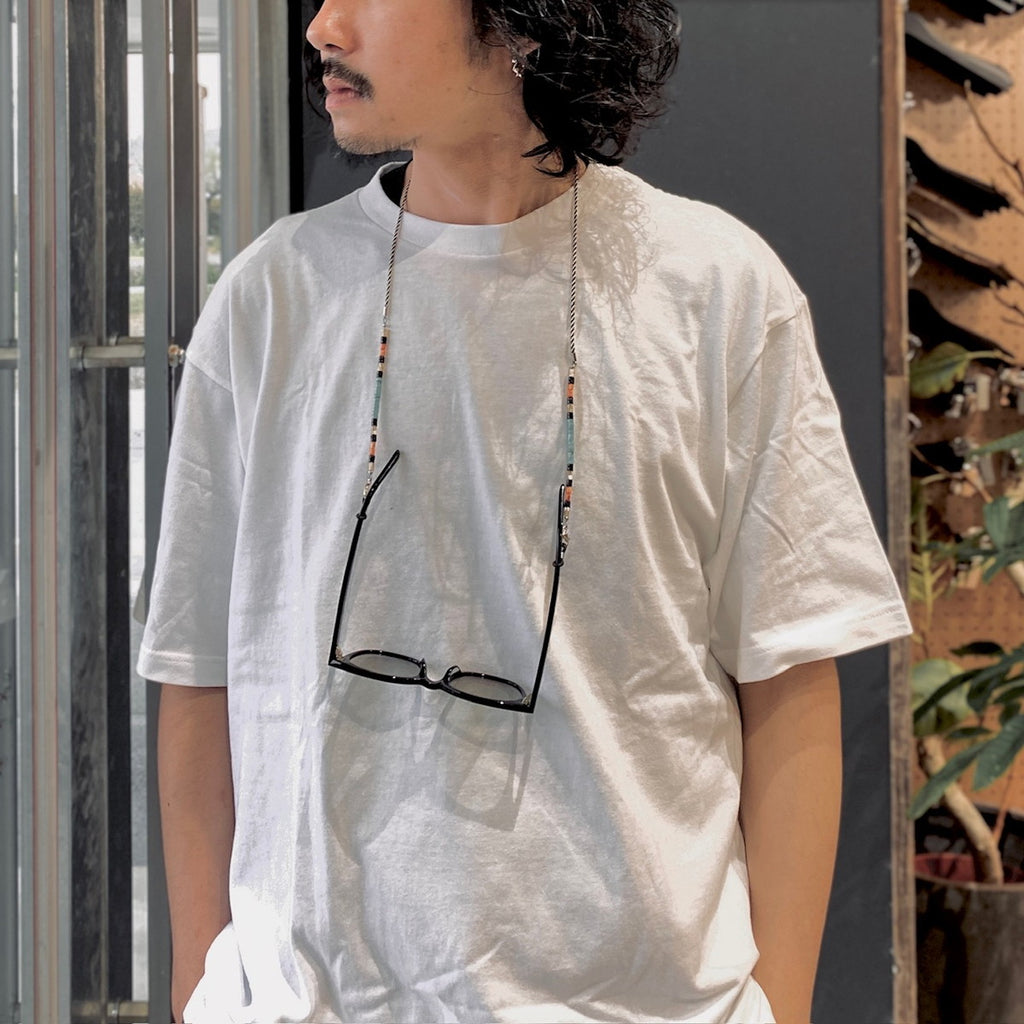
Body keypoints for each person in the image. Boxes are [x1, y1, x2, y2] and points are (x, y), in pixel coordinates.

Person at [139, 1, 911, 1021]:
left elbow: (789, 668)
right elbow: (198, 666)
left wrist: (781, 1005)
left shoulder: (716, 291)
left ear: (522, 22)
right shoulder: (272, 299)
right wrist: (203, 985)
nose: (322, 25)